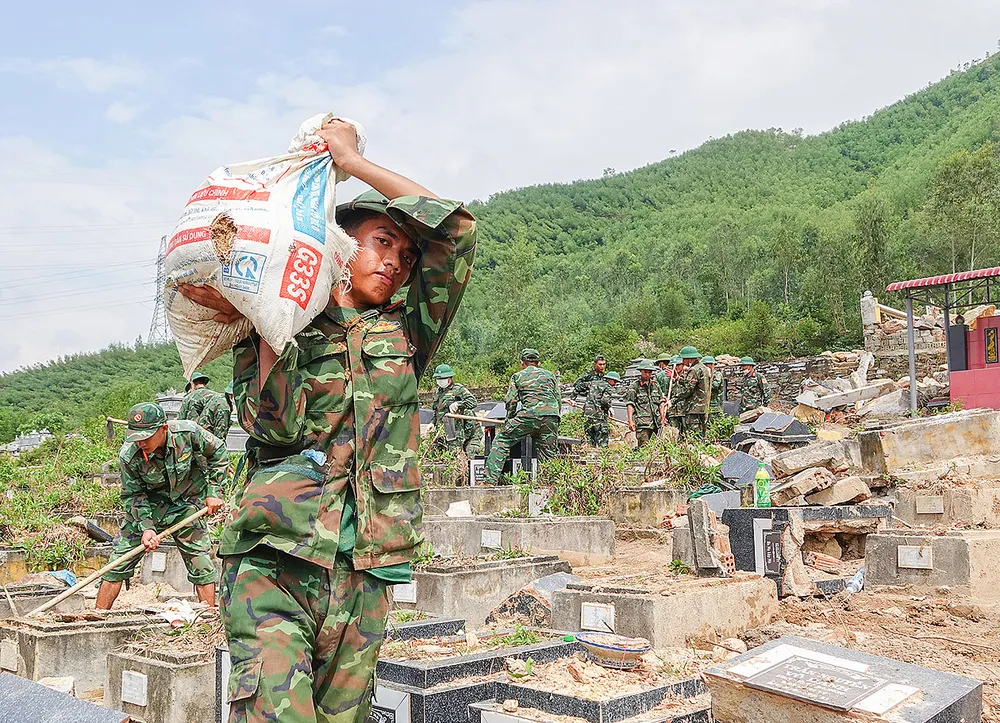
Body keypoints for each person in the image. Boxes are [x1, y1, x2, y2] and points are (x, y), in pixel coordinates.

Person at [178, 118, 477, 723]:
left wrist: (353, 162)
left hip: (367, 567)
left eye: (406, 254)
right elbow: (272, 427)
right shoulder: (278, 321)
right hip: (276, 559)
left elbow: (458, 230)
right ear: (338, 246)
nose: (395, 262)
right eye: (382, 242)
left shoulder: (407, 332)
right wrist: (270, 321)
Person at [95, 402, 226, 610]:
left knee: (201, 565)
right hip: (149, 508)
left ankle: (207, 619)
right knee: (117, 563)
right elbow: (133, 495)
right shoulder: (129, 455)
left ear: (163, 428)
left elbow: (218, 450)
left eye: (146, 437)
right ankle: (98, 616)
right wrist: (146, 527)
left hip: (187, 504)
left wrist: (214, 491)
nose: (141, 443)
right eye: (136, 437)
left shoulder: (188, 433)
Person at [483, 349, 561, 484]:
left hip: (528, 416)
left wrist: (509, 420)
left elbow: (511, 401)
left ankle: (489, 481)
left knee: (502, 440)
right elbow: (558, 399)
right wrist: (553, 417)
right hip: (551, 417)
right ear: (538, 363)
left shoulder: (517, 376)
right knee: (548, 453)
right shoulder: (550, 376)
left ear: (522, 363)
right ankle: (549, 485)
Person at [430, 363, 481, 455]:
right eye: (438, 379)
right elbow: (436, 411)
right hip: (442, 430)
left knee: (455, 453)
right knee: (436, 454)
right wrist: (432, 423)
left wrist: (458, 404)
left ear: (449, 379)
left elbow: (473, 402)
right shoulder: (438, 392)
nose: (440, 381)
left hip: (455, 429)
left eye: (442, 379)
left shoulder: (458, 389)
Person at [668, 346, 711, 436]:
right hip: (702, 407)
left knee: (694, 435)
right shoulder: (703, 368)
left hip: (693, 408)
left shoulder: (694, 370)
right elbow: (692, 383)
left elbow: (688, 389)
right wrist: (678, 378)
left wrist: (672, 401)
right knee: (701, 434)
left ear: (689, 359)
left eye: (684, 359)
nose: (683, 362)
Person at [179, 371, 232, 441]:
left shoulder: (188, 398)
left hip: (196, 437)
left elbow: (181, 422)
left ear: (192, 385)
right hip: (214, 433)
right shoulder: (215, 395)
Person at [625, 360, 663, 448]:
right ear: (641, 371)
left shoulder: (655, 385)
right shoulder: (634, 386)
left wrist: (662, 417)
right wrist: (630, 421)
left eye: (650, 372)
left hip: (656, 423)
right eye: (645, 372)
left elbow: (661, 402)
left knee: (657, 448)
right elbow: (630, 404)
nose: (648, 374)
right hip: (643, 424)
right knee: (643, 447)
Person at [582, 371, 621, 448]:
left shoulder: (594, 383)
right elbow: (605, 401)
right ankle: (603, 453)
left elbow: (580, 386)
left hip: (587, 414)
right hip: (599, 415)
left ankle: (591, 452)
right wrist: (609, 408)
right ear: (610, 380)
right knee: (602, 439)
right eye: (615, 381)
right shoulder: (608, 387)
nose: (615, 384)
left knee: (590, 438)